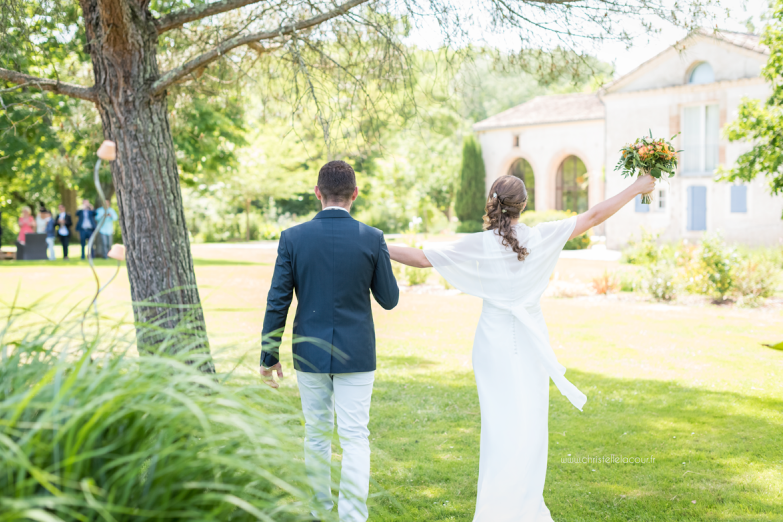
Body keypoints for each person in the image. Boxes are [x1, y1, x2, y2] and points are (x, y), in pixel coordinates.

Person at [388, 173, 656, 521]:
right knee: (529, 425)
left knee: (500, 427)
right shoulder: (544, 235)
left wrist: (373, 242)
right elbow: (593, 216)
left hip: (493, 343)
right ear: (524, 205)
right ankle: (520, 506)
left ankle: (501, 508)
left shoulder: (482, 243)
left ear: (492, 203)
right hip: (529, 344)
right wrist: (636, 188)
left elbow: (423, 257)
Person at [259, 160, 399, 522]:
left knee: (317, 436)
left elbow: (278, 299)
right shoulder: (372, 237)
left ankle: (319, 512)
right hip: (357, 354)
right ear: (355, 194)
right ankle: (353, 517)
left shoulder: (293, 237)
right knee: (355, 438)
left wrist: (268, 355)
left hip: (309, 351)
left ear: (318, 193)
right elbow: (389, 298)